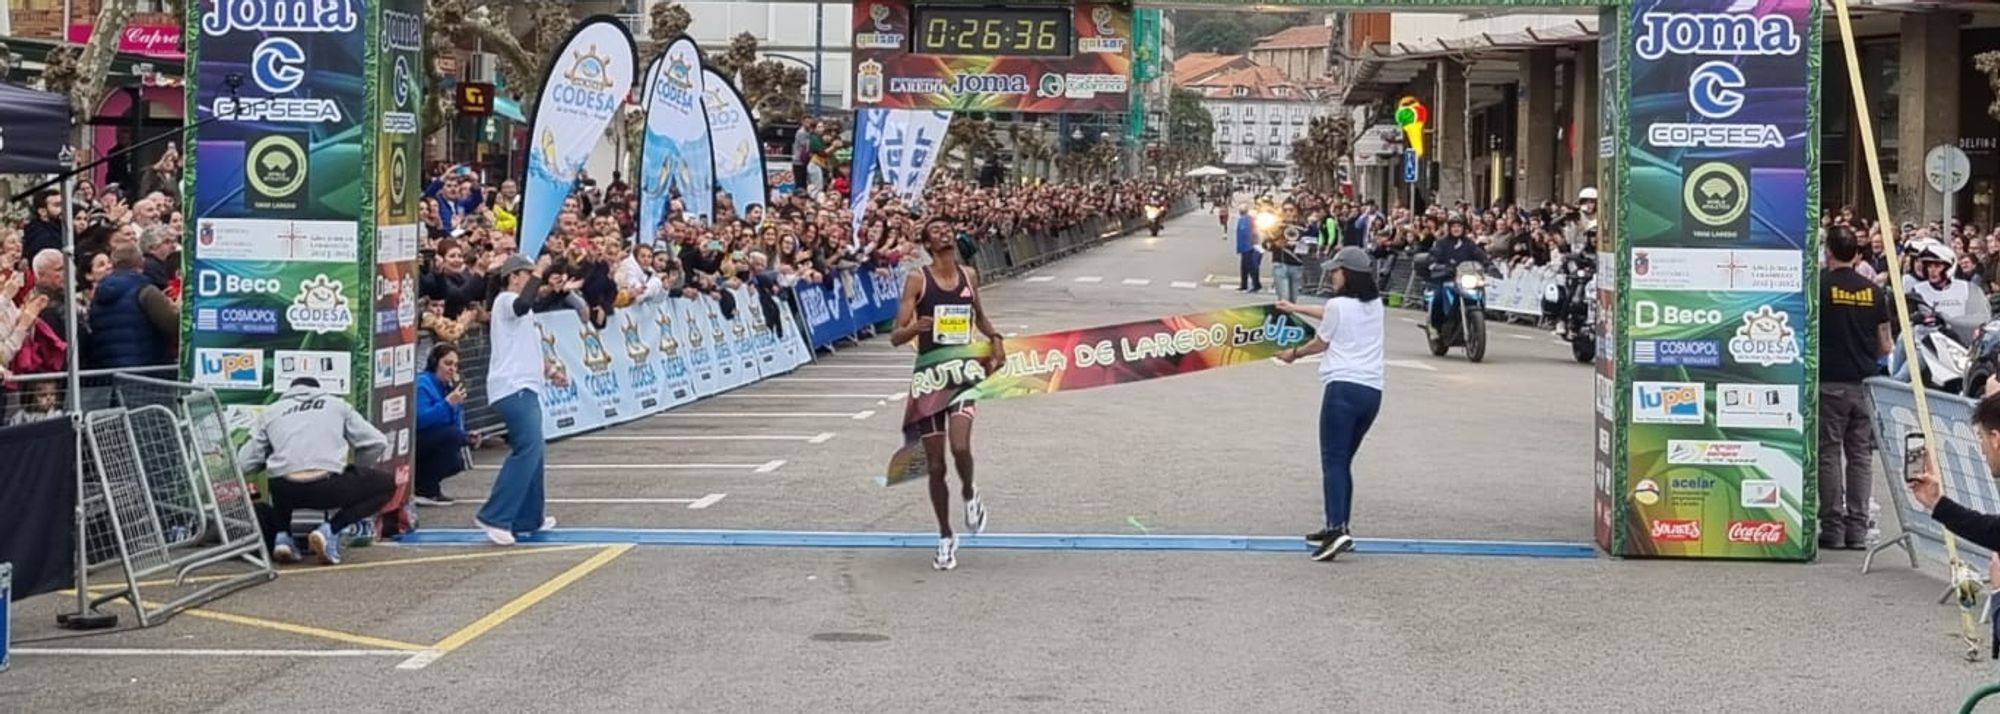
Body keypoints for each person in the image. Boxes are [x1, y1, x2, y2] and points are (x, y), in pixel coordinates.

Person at [890, 218, 1003, 571]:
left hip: (962, 372)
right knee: (936, 466)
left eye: (947, 229)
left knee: (960, 447)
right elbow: (896, 334)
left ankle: (970, 493)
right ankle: (944, 536)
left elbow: (981, 318)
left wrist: (996, 339)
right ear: (926, 242)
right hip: (930, 375)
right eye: (935, 231)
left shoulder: (969, 275)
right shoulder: (917, 279)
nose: (944, 233)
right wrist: (914, 328)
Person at [1275, 246, 1386, 562]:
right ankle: (1336, 525)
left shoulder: (1338, 304)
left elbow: (1321, 342)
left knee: (1333, 461)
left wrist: (1293, 354)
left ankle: (1338, 530)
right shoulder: (1375, 305)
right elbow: (1331, 314)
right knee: (1342, 462)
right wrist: (1294, 307)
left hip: (1342, 389)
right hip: (1372, 392)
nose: (1332, 275)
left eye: (1336, 271)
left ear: (1347, 274)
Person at [236, 377, 395, 565]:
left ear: (289, 391)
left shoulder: (271, 412)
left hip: (285, 491)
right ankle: (330, 530)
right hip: (328, 488)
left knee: (278, 474)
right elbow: (378, 442)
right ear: (318, 390)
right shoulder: (337, 405)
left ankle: (283, 537)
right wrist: (358, 469)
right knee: (387, 484)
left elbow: (244, 462)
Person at [478, 254, 566, 546]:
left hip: (525, 384)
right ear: (513, 276)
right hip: (513, 386)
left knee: (535, 450)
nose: (532, 279)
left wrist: (551, 371)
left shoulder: (521, 312)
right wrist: (539, 272)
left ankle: (529, 517)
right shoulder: (505, 301)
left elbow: (527, 349)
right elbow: (522, 302)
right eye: (527, 274)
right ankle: (495, 515)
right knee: (527, 449)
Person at [1819, 224, 1892, 550]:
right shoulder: (1874, 291)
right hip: (1864, 385)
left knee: (1829, 454)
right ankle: (1858, 530)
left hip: (1830, 383)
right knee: (1860, 457)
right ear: (1858, 253)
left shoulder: (1819, 287)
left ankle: (1832, 529)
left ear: (1828, 251)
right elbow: (1887, 345)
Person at [413, 344, 480, 506]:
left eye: (455, 365)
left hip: (435, 438)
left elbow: (454, 423)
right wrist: (447, 403)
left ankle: (429, 487)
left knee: (457, 460)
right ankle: (424, 489)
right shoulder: (423, 383)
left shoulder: (449, 388)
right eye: (448, 364)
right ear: (435, 363)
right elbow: (421, 420)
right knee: (452, 436)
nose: (452, 369)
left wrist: (467, 436)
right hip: (418, 439)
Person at [1235, 205, 1263, 293]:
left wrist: (1255, 244)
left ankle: (1256, 285)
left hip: (1251, 247)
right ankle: (1244, 285)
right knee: (1244, 267)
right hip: (1245, 247)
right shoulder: (1242, 220)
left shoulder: (1249, 220)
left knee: (1252, 267)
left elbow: (1254, 233)